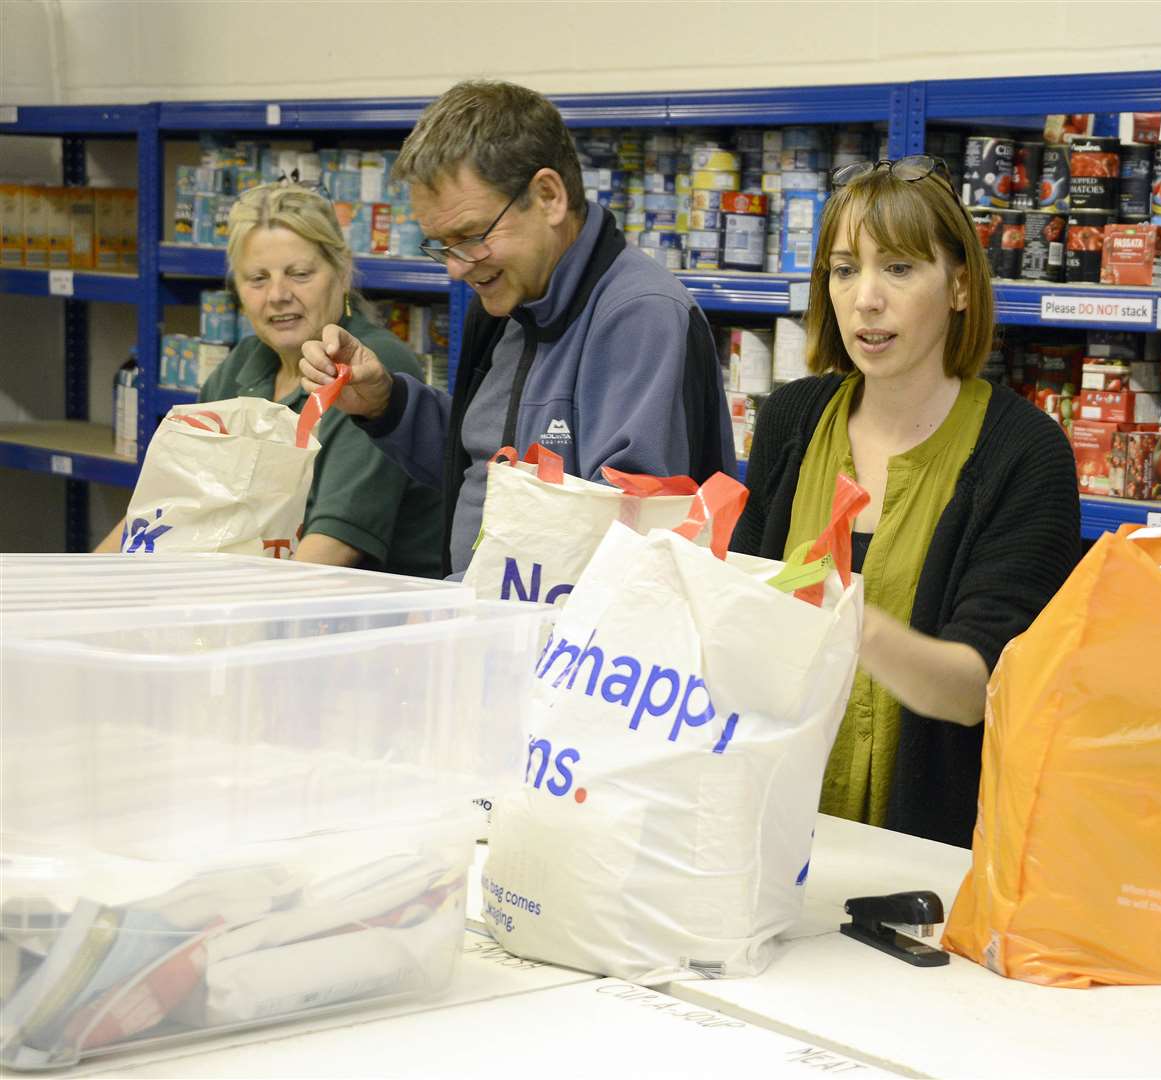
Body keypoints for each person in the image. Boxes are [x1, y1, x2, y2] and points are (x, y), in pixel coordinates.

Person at [731, 155, 1082, 849]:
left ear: (957, 286)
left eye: (897, 268)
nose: (865, 298)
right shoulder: (791, 420)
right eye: (843, 269)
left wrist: (843, 614)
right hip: (771, 819)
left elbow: (973, 691)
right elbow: (743, 621)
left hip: (935, 851)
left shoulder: (1025, 452)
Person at [298, 80, 735, 578]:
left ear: (548, 196)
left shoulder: (639, 315)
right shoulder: (509, 303)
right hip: (488, 625)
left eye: (471, 237)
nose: (457, 268)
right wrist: (386, 405)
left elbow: (624, 532)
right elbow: (486, 470)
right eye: (441, 244)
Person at [96, 182, 443, 576]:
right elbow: (167, 507)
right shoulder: (241, 367)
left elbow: (334, 547)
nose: (277, 295)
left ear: (343, 273)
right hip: (258, 592)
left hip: (364, 609)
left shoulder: (369, 367)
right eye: (257, 279)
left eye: (299, 274)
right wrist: (84, 585)